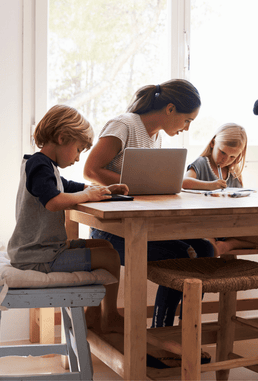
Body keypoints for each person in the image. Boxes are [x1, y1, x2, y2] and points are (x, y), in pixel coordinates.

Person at [83, 79, 215, 330]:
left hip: (142, 228)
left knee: (205, 250)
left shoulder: (155, 138)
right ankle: (162, 333)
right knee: (182, 254)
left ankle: (186, 332)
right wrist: (134, 186)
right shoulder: (124, 125)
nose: (187, 128)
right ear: (170, 109)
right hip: (112, 231)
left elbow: (144, 186)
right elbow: (90, 170)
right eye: (187, 120)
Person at [7, 104, 128, 334]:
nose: (78, 158)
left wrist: (100, 189)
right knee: (111, 256)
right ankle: (109, 315)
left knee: (105, 245)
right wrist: (86, 195)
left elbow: (64, 186)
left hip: (41, 250)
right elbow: (53, 201)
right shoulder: (39, 164)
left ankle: (93, 314)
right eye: (79, 149)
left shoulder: (42, 165)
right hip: (39, 257)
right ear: (62, 138)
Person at [182, 122, 258, 255]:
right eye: (223, 152)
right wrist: (211, 186)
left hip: (230, 226)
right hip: (206, 225)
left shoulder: (233, 171)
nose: (226, 159)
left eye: (233, 157)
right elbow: (183, 182)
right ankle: (224, 247)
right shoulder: (202, 163)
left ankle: (230, 245)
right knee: (208, 247)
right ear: (213, 143)